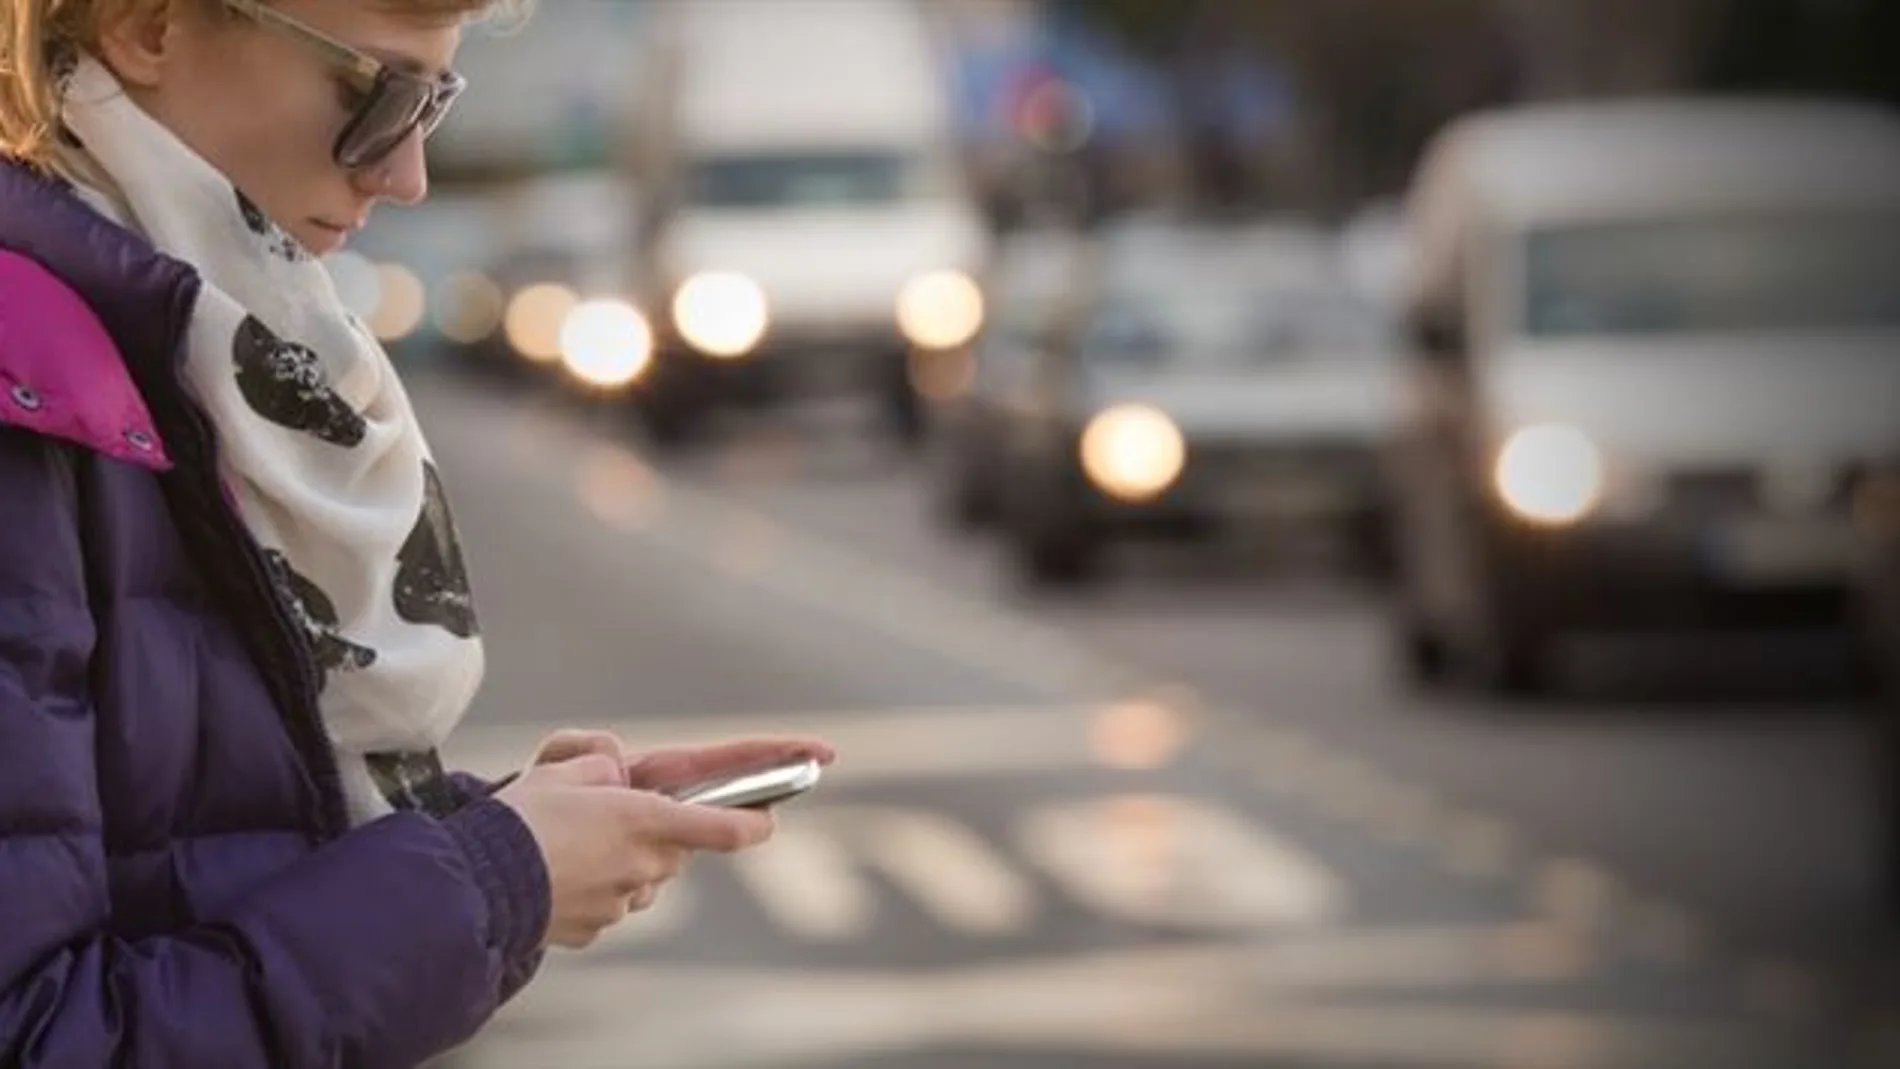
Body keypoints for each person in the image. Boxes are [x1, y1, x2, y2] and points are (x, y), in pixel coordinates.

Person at [0, 2, 834, 1066]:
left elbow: (194, 846)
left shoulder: (185, 352)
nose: (407, 176)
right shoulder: (32, 378)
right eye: (380, 93)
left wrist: (512, 831)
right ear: (147, 26)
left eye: (437, 100)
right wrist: (498, 879)